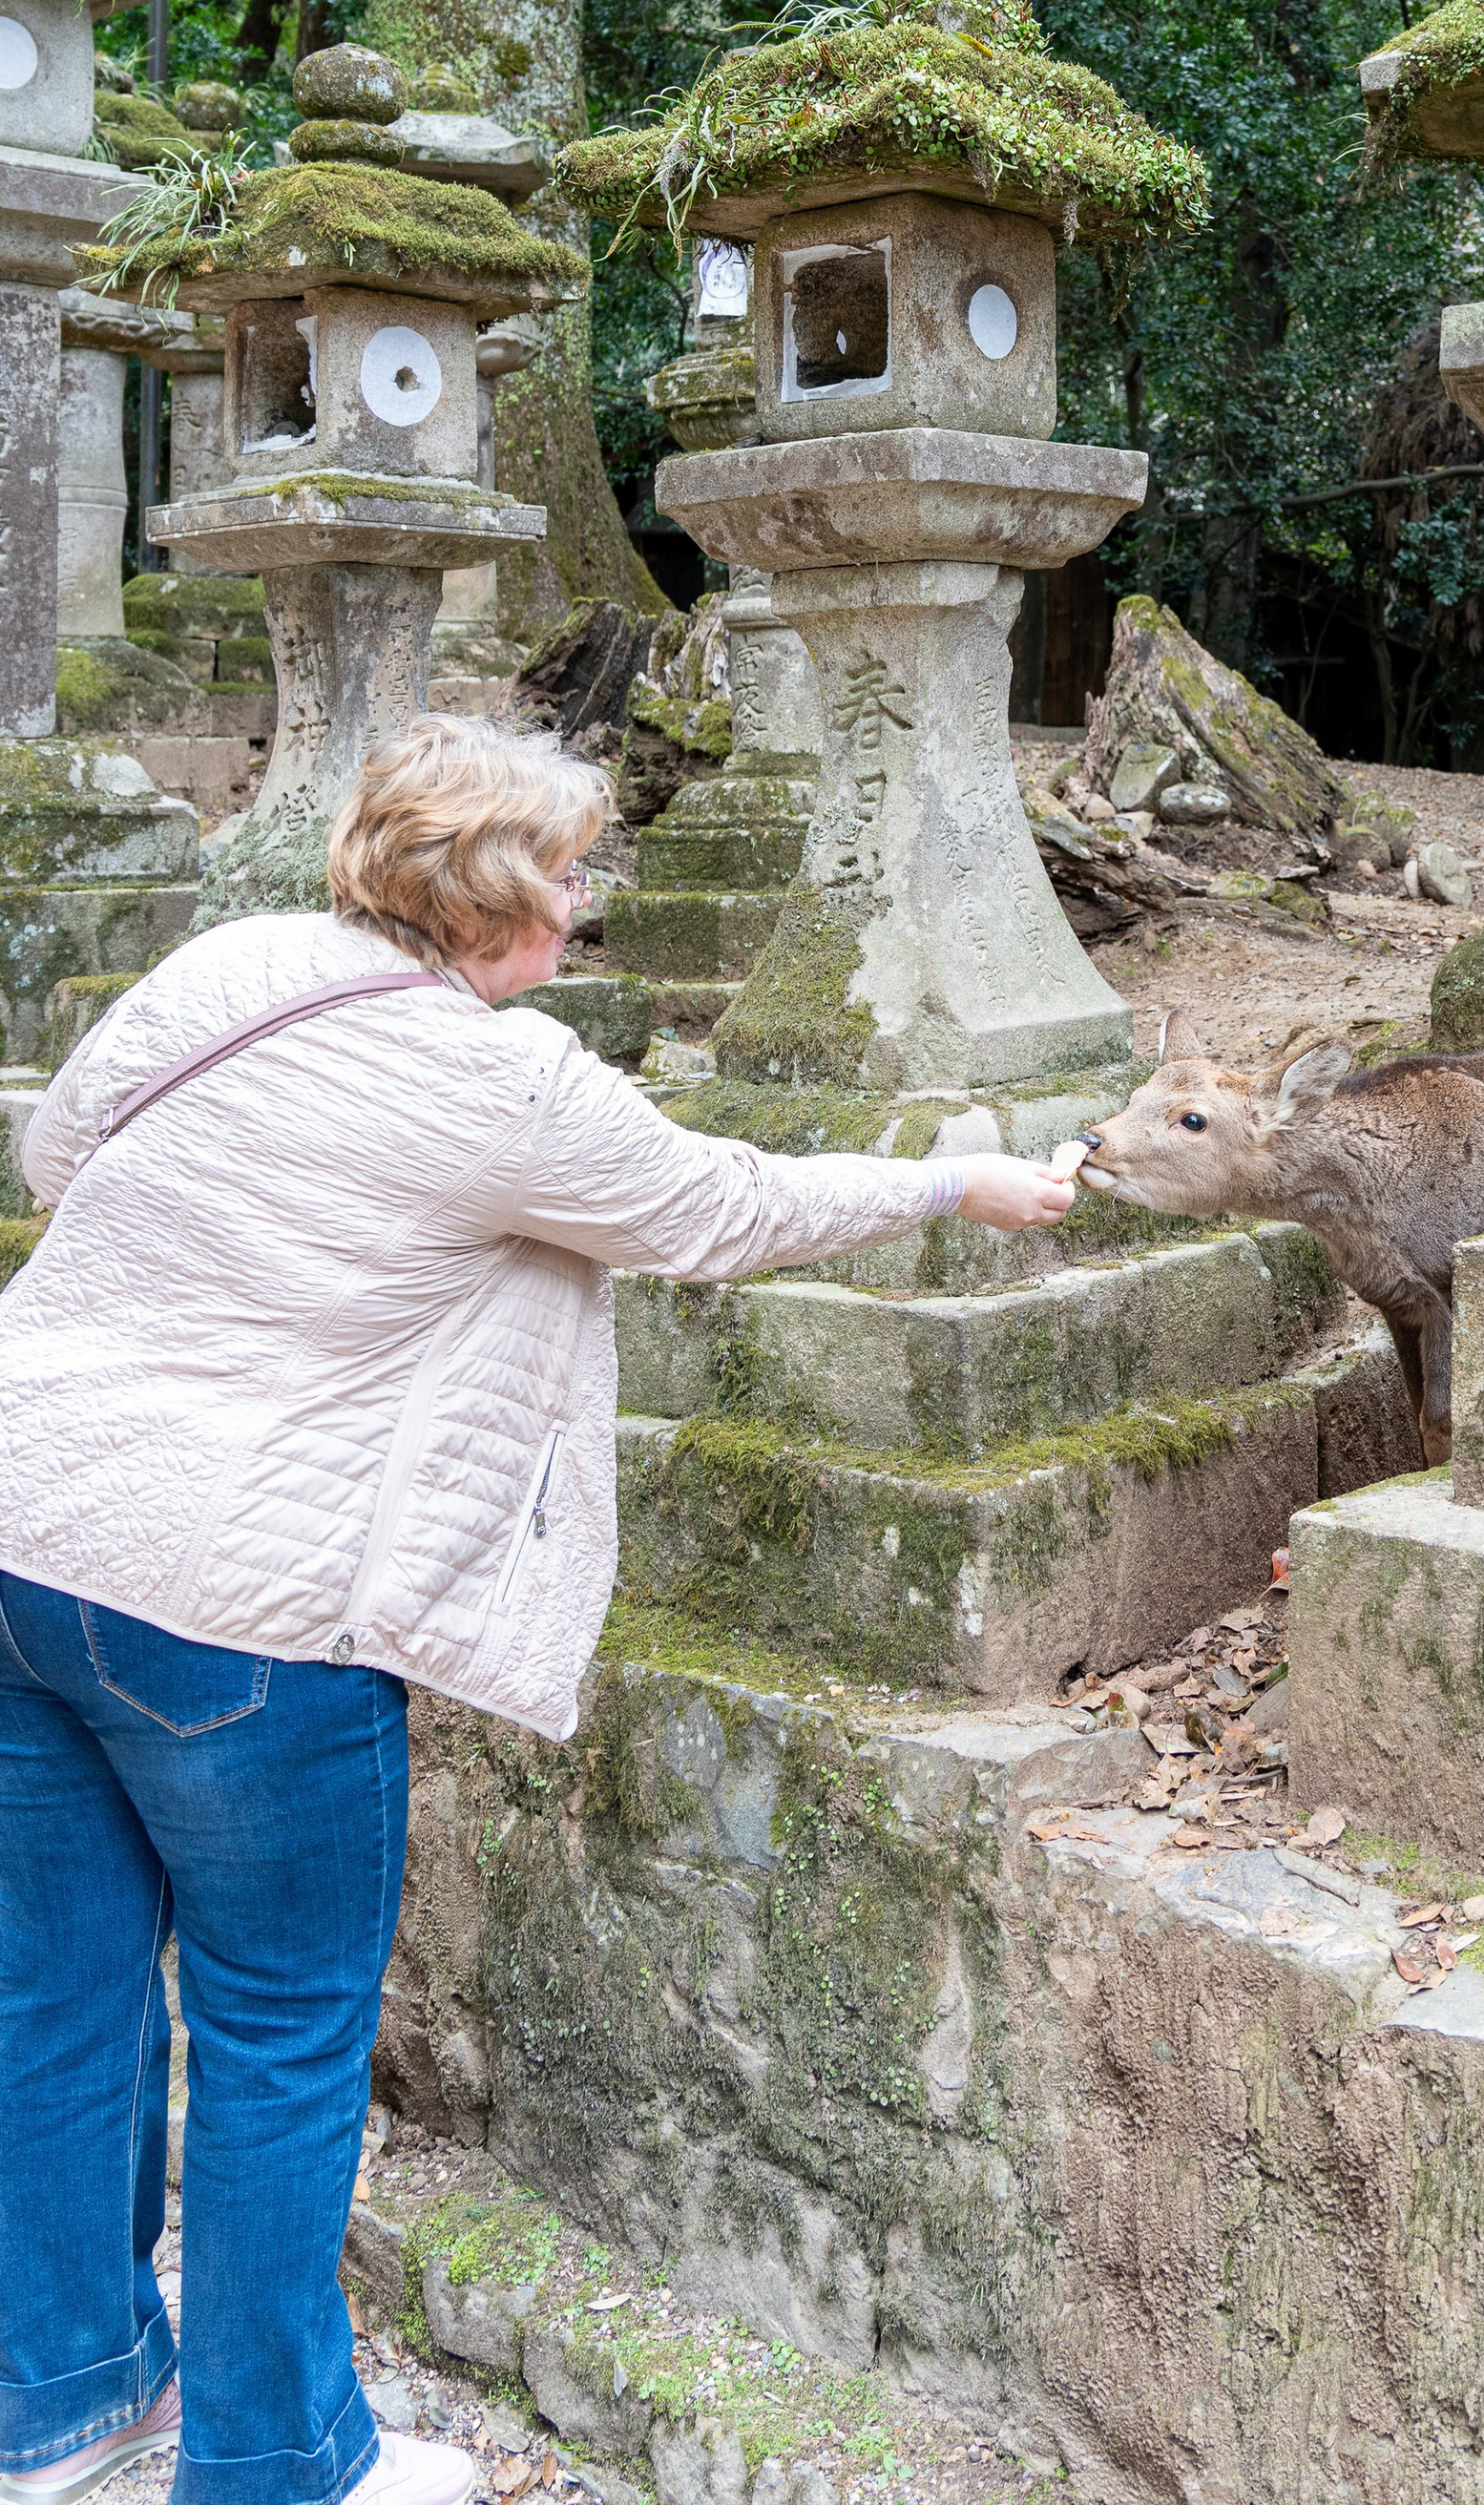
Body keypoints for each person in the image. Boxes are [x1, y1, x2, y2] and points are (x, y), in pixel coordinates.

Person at [0, 717, 1076, 2505]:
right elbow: (719, 1206)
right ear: (496, 893)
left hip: (24, 1531)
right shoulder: (500, 1082)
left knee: (54, 1988)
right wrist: (953, 1180)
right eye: (570, 875)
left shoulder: (230, 964)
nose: (585, 907)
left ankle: (60, 2405)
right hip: (240, 1601)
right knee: (278, 2029)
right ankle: (274, 2462)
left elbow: (60, 1155)